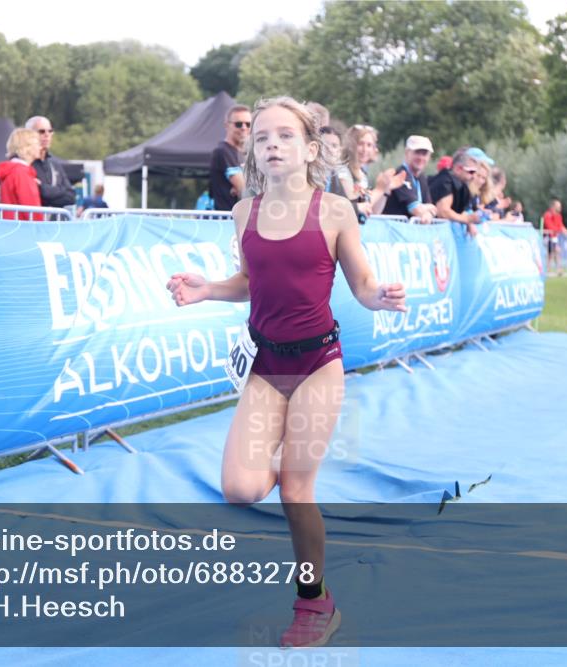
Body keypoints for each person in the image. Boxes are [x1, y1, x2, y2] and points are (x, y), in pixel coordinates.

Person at [166, 96, 406, 649]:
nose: (272, 144)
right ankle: (289, 451)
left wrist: (381, 297)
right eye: (263, 137)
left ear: (309, 149)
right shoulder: (243, 212)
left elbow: (363, 284)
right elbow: (249, 281)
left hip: (319, 364)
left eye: (285, 136)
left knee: (297, 491)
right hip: (267, 368)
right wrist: (207, 289)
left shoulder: (336, 210)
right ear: (252, 149)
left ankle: (315, 601)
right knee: (241, 487)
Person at [381, 135, 437, 223]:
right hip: (394, 232)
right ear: (407, 153)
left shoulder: (422, 178)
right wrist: (426, 210)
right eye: (417, 152)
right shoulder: (401, 174)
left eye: (424, 154)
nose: (421, 158)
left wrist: (428, 213)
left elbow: (432, 209)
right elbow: (415, 209)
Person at [24, 116, 76, 210]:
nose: (47, 135)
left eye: (50, 131)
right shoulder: (24, 164)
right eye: (41, 131)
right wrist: (59, 191)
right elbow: (31, 195)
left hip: (53, 223)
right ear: (29, 135)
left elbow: (71, 196)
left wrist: (44, 189)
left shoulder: (54, 164)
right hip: (32, 222)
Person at [427, 150, 481, 236]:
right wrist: (466, 219)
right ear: (458, 168)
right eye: (471, 172)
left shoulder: (463, 186)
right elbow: (443, 212)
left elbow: (463, 210)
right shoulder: (444, 181)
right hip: (430, 231)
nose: (474, 177)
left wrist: (469, 223)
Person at [210, 105, 252, 211]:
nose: (244, 128)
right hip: (226, 220)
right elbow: (245, 191)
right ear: (226, 126)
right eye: (238, 124)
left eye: (248, 124)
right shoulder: (223, 151)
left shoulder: (247, 154)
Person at [0, 128, 43, 221]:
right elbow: (31, 209)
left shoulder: (12, 170)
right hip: (25, 229)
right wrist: (40, 229)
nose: (40, 147)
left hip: (13, 226)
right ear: (27, 147)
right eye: (37, 144)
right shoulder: (21, 173)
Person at [542, 199, 567, 276]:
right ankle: (555, 269)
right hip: (547, 237)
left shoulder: (558, 216)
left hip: (554, 238)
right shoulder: (547, 215)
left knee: (553, 254)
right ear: (553, 206)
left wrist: (563, 229)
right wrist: (561, 229)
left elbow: (560, 225)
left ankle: (552, 269)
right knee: (553, 253)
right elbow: (549, 226)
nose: (560, 207)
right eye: (558, 206)